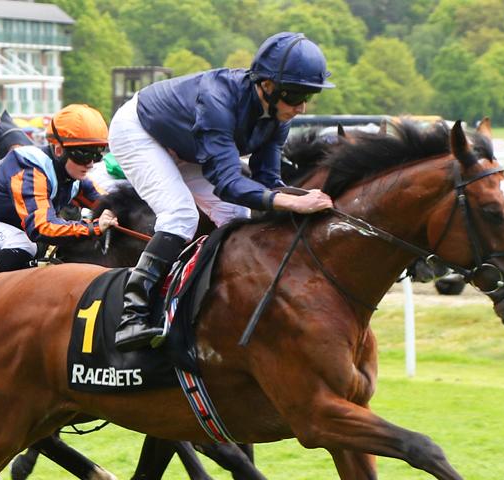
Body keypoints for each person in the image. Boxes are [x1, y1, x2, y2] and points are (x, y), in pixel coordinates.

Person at [108, 32, 337, 352]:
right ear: (267, 86)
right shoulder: (218, 101)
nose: (300, 107)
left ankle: (214, 303)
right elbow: (228, 182)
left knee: (236, 216)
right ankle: (132, 313)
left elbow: (268, 182)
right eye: (295, 95)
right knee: (180, 215)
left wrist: (314, 199)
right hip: (140, 131)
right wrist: (291, 203)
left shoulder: (278, 117)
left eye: (307, 97)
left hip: (185, 144)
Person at [0, 106, 118, 277]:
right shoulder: (31, 169)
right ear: (58, 150)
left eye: (97, 154)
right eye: (84, 154)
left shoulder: (74, 176)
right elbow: (41, 228)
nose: (90, 164)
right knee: (24, 244)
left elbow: (111, 203)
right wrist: (93, 227)